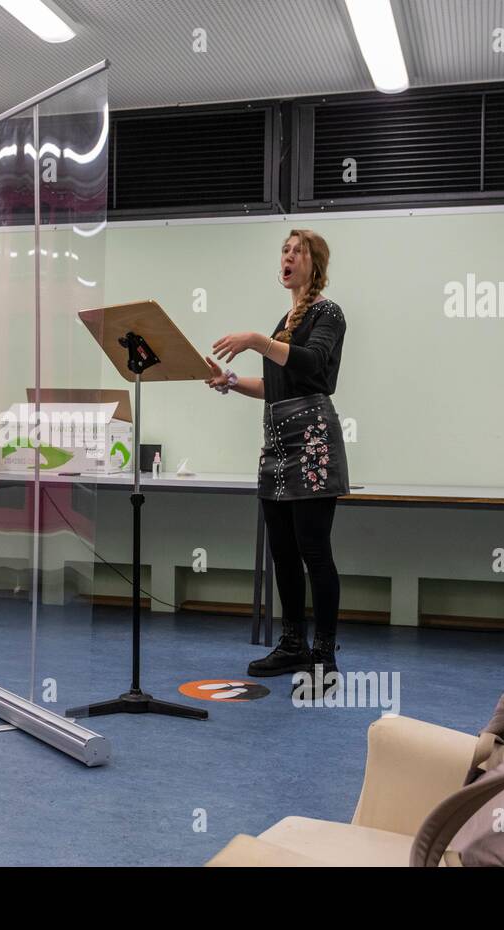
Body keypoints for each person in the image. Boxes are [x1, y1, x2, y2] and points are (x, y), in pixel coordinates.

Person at [205, 229, 349, 682]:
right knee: (282, 553)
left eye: (297, 252)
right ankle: (292, 644)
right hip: (276, 444)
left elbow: (311, 363)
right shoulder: (282, 324)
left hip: (310, 442)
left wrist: (254, 340)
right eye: (283, 251)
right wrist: (230, 381)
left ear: (314, 265)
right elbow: (275, 387)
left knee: (314, 550)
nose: (287, 258)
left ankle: (324, 655)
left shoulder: (328, 313)